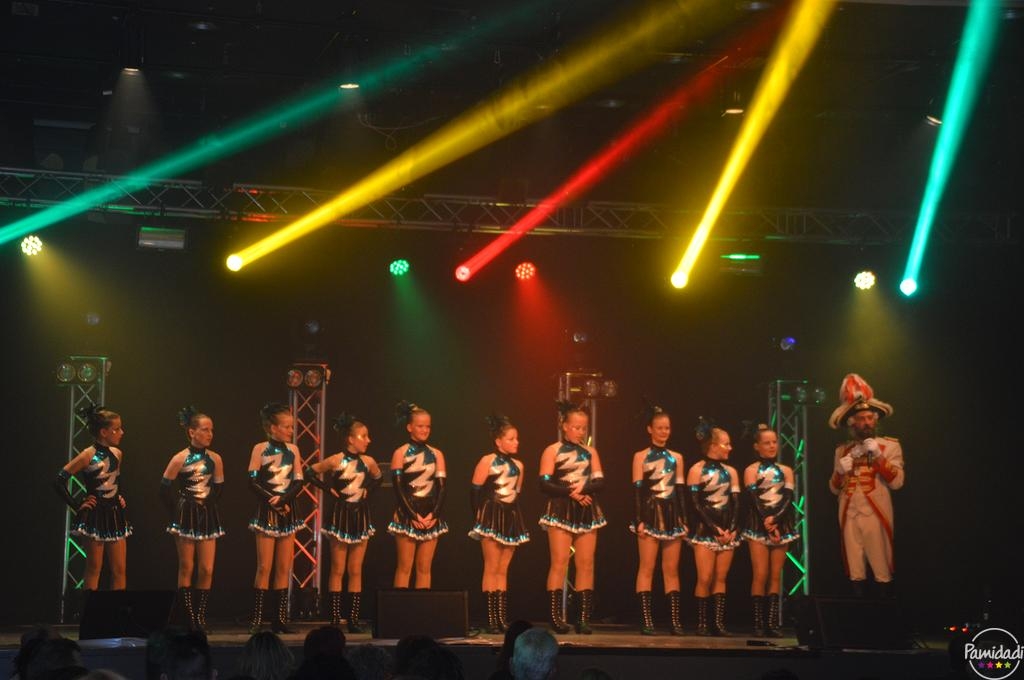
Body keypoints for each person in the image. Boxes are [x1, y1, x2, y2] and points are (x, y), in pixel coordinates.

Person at [827, 373, 904, 599]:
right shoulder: (842, 450)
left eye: (870, 417)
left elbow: (897, 482)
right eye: (862, 418)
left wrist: (878, 457)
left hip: (874, 510)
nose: (867, 422)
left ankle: (884, 606)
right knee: (854, 566)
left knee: (880, 564)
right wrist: (839, 472)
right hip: (850, 511)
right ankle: (857, 605)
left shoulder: (889, 446)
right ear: (853, 423)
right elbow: (834, 488)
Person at [305, 413, 382, 631]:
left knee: (355, 569)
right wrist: (327, 489)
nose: (368, 440)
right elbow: (309, 472)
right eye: (364, 436)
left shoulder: (368, 461)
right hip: (340, 515)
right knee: (338, 568)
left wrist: (368, 490)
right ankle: (335, 618)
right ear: (350, 438)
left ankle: (353, 619)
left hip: (360, 515)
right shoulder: (335, 460)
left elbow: (378, 478)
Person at [539, 401, 606, 634]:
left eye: (584, 428)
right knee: (560, 562)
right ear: (564, 426)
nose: (580, 432)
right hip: (560, 508)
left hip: (586, 508)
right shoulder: (552, 450)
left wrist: (584, 489)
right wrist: (571, 492)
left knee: (586, 564)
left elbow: (600, 481)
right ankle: (555, 616)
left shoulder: (591, 452)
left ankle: (583, 618)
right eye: (576, 427)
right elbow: (544, 483)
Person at [53, 404, 131, 601]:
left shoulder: (117, 453)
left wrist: (118, 496)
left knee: (119, 569)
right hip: (95, 514)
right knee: (94, 567)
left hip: (114, 513)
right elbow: (59, 480)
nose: (122, 432)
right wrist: (77, 504)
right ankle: (89, 613)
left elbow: (114, 478)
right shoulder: (87, 455)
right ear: (104, 432)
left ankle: (117, 612)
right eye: (117, 429)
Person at [160, 406, 225, 632]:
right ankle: (187, 618)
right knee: (187, 566)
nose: (210, 434)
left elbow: (219, 488)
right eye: (205, 430)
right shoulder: (180, 458)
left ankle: (200, 616)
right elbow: (164, 489)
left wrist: (208, 504)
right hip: (185, 514)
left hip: (207, 514)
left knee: (206, 569)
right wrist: (177, 512)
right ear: (191, 432)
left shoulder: (215, 458)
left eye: (211, 430)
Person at [247, 403, 306, 634]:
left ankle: (279, 619)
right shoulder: (259, 449)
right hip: (267, 509)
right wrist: (273, 500)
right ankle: (257, 618)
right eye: (287, 427)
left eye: (292, 426)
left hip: (287, 509)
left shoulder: (293, 450)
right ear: (273, 428)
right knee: (264, 566)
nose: (291, 430)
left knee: (284, 566)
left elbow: (299, 480)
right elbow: (252, 481)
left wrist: (284, 499)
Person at [630, 404, 688, 636]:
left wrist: (683, 519)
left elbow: (680, 490)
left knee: (671, 569)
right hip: (650, 512)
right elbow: (637, 490)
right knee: (647, 567)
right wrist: (639, 519)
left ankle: (674, 621)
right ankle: (646, 620)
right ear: (650, 429)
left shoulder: (677, 457)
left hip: (672, 513)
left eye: (667, 428)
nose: (664, 432)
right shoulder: (640, 456)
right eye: (660, 428)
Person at [469, 414, 530, 634]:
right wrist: (480, 518)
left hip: (511, 516)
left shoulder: (519, 465)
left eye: (517, 439)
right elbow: (475, 491)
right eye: (511, 439)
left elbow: (517, 492)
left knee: (503, 569)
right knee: (491, 566)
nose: (516, 442)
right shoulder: (487, 460)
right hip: (491, 514)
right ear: (498, 441)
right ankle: (490, 618)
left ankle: (501, 617)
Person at [742, 424, 799, 637]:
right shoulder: (751, 470)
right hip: (758, 524)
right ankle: (758, 622)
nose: (772, 446)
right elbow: (753, 499)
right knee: (761, 573)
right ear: (757, 446)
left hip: (780, 523)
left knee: (775, 575)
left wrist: (776, 519)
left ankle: (772, 623)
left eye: (774, 442)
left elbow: (788, 498)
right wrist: (766, 520)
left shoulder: (786, 470)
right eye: (767, 443)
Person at [686, 417, 740, 636]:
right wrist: (713, 528)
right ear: (713, 445)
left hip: (727, 531)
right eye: (726, 444)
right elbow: (695, 504)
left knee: (720, 578)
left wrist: (732, 528)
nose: (730, 447)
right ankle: (701, 623)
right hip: (705, 530)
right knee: (705, 577)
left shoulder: (731, 471)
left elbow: (736, 504)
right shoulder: (696, 470)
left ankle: (718, 623)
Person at [388, 400, 448, 589]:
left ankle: (423, 606)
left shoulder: (436, 454)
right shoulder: (400, 452)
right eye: (420, 426)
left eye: (428, 426)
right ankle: (401, 606)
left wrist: (434, 515)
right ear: (409, 427)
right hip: (407, 512)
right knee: (405, 567)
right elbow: (398, 489)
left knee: (424, 568)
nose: (425, 430)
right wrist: (412, 515)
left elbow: (442, 488)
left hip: (430, 513)